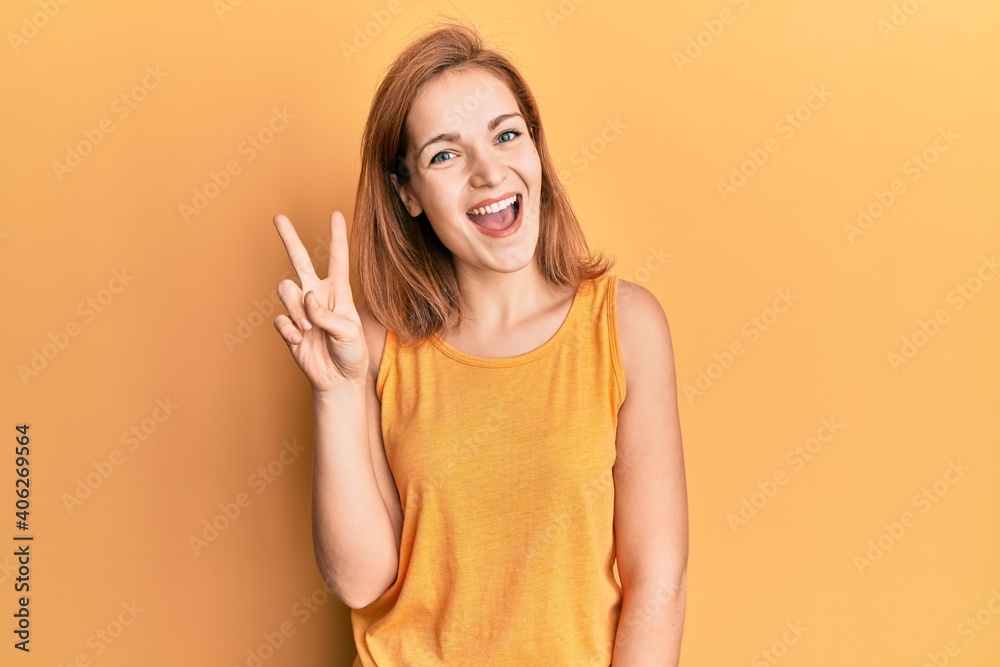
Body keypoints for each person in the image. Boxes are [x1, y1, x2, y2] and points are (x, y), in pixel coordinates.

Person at [271, 19, 688, 666]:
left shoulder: (625, 327)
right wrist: (337, 389)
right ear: (406, 191)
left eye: (506, 134)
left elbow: (657, 578)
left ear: (535, 151)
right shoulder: (379, 346)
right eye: (445, 153)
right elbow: (361, 580)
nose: (489, 171)